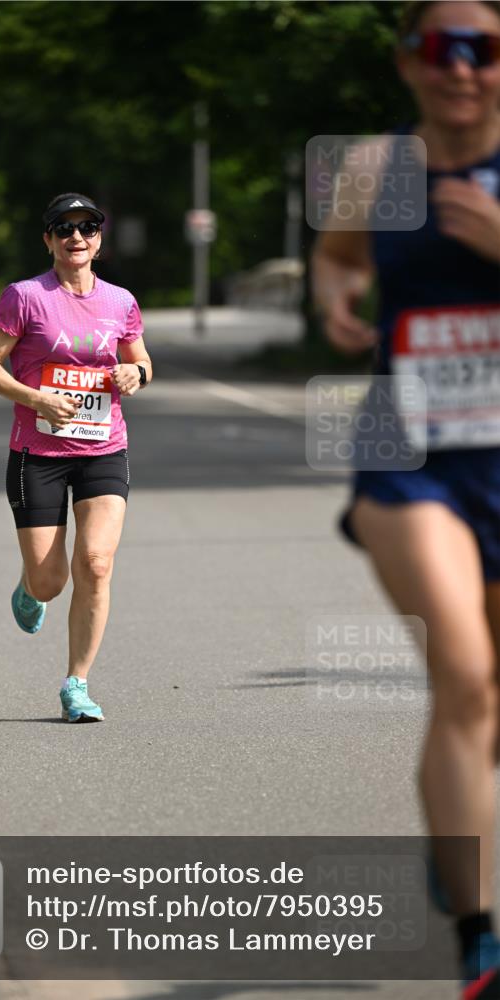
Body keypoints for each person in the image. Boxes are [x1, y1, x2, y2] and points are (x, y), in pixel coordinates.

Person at [311, 3, 500, 997]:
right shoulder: (376, 172)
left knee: (491, 699)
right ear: (407, 63)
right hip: (407, 456)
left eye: (484, 49)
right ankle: (479, 933)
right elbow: (338, 256)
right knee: (464, 676)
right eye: (440, 48)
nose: (461, 68)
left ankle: (449, 829)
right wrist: (335, 298)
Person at [0, 193, 152, 723]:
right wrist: (35, 398)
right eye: (64, 228)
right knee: (52, 580)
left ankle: (77, 684)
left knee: (96, 564)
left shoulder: (121, 302)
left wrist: (133, 375)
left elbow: (141, 360)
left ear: (99, 239)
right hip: (38, 453)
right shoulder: (25, 297)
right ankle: (31, 587)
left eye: (88, 227)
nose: (77, 236)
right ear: (48, 239)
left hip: (104, 447)